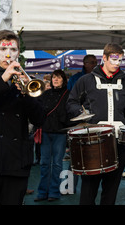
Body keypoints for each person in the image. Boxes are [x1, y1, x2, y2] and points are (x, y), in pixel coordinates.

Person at [66, 43, 125, 205]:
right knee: (88, 192)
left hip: (118, 143)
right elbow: (71, 103)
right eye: (113, 59)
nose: (117, 63)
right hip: (92, 142)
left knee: (111, 192)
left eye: (119, 60)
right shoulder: (86, 80)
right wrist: (81, 114)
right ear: (104, 58)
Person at [0, 30, 45, 205]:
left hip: (17, 162)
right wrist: (3, 79)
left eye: (13, 50)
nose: (8, 54)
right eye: (2, 49)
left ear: (18, 53)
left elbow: (40, 119)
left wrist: (26, 94)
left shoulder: (23, 79)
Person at [35, 69, 72, 202]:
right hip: (45, 132)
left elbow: (70, 113)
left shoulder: (68, 95)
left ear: (63, 80)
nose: (55, 80)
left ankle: (54, 192)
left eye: (58, 77)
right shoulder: (45, 94)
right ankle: (42, 192)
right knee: (44, 163)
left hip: (60, 133)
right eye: (54, 78)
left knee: (57, 164)